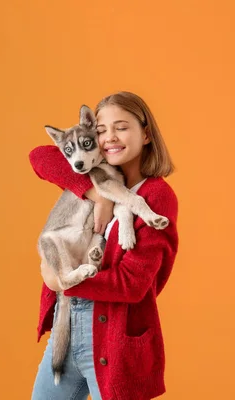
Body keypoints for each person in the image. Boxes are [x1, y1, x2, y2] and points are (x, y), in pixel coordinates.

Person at [30, 91, 179, 400]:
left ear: (146, 133)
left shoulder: (156, 196)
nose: (109, 137)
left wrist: (63, 282)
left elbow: (132, 285)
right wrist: (94, 193)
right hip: (67, 326)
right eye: (100, 130)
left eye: (122, 127)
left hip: (114, 334)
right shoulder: (92, 175)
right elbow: (39, 156)